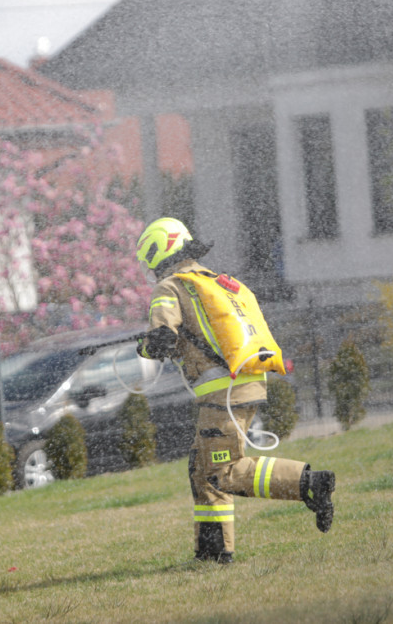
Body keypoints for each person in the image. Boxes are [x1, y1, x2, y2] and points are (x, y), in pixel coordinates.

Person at [135, 218, 335, 564]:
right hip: (248, 382)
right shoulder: (211, 281)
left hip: (221, 394)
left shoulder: (170, 287)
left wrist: (147, 346)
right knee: (201, 468)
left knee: (222, 472)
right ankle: (213, 552)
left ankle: (309, 483)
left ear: (157, 251)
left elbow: (163, 337)